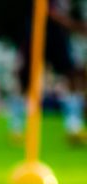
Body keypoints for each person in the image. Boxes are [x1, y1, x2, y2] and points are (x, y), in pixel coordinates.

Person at [10, 0, 87, 144]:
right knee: (25, 82)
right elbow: (48, 11)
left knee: (72, 77)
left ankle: (73, 126)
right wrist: (74, 25)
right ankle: (16, 128)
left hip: (57, 37)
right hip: (37, 35)